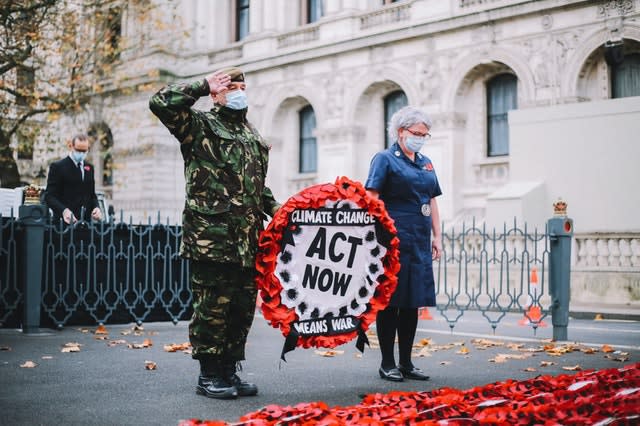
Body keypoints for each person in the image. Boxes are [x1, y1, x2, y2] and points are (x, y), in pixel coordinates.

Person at [149, 67, 280, 400]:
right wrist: (201, 85)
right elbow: (161, 102)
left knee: (240, 309)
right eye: (230, 86)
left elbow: (256, 187)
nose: (238, 91)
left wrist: (281, 211)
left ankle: (228, 371)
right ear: (216, 93)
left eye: (242, 86)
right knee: (212, 308)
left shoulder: (251, 134)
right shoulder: (199, 126)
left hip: (248, 240)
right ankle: (209, 374)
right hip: (212, 237)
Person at [364, 106, 442, 382]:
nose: (420, 138)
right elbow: (371, 197)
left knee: (412, 303)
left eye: (425, 134)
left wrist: (437, 237)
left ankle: (407, 362)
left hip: (419, 240)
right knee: (391, 302)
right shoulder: (384, 159)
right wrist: (377, 234)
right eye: (416, 133)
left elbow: (432, 200)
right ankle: (387, 363)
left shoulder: (426, 162)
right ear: (400, 132)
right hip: (392, 241)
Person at [45, 134, 102, 224]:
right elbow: (49, 196)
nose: (81, 154)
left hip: (85, 224)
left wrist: (96, 207)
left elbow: (92, 195)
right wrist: (64, 211)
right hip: (63, 225)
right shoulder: (58, 167)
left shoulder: (89, 167)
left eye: (84, 151)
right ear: (71, 146)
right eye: (78, 150)